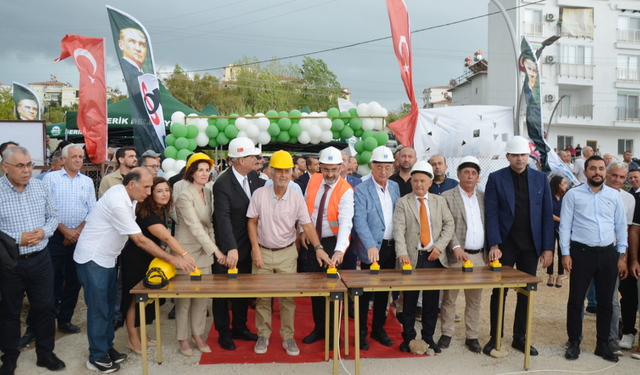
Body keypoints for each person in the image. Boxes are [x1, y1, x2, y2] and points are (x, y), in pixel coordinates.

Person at [74, 168, 195, 373]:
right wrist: (174, 259)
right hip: (93, 259)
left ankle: (107, 348)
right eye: (146, 187)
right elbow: (140, 240)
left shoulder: (128, 197)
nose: (149, 191)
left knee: (110, 306)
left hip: (108, 259)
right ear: (131, 184)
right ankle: (96, 356)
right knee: (99, 310)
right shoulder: (118, 202)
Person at [483, 136, 554, 357]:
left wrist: (548, 248)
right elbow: (491, 213)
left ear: (528, 157)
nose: (519, 159)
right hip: (505, 245)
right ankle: (495, 337)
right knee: (500, 292)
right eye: (515, 155)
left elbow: (546, 215)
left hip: (531, 246)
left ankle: (520, 338)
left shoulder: (541, 179)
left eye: (523, 155)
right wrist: (493, 244)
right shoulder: (495, 178)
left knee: (526, 293)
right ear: (508, 157)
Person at [247, 150, 321, 356]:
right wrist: (255, 249)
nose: (283, 174)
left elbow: (306, 225)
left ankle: (288, 337)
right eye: (279, 170)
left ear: (292, 172)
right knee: (262, 298)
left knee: (288, 299)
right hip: (262, 251)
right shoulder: (259, 194)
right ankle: (263, 334)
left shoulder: (297, 198)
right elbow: (252, 222)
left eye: (286, 171)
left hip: (287, 254)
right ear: (270, 172)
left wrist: (319, 248)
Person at [0, 146, 66, 374]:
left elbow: (53, 216)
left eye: (29, 164)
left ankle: (45, 354)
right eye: (20, 166)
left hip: (41, 259)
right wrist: (18, 238)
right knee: (10, 311)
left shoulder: (40, 186)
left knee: (46, 308)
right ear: (5, 166)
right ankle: (9, 356)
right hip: (10, 262)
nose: (27, 170)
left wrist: (44, 231)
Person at [561, 155, 628, 363]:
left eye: (601, 168)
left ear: (605, 172)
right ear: (586, 171)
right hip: (581, 253)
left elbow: (620, 226)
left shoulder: (615, 196)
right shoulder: (573, 195)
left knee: (606, 302)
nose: (597, 172)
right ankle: (574, 342)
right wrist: (565, 253)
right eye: (593, 168)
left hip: (608, 253)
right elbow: (564, 225)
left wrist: (622, 255)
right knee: (576, 300)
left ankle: (602, 345)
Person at [120, 177, 196, 355]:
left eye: (167, 190)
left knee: (145, 300)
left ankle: (142, 334)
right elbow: (168, 237)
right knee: (133, 300)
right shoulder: (148, 213)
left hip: (151, 259)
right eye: (159, 191)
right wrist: (184, 255)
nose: (164, 194)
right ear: (150, 194)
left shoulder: (161, 210)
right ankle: (132, 339)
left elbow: (162, 238)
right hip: (136, 260)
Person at [394, 160, 454, 353]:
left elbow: (449, 225)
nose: (418, 184)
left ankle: (428, 337)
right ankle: (409, 338)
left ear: (430, 182)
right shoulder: (403, 202)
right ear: (411, 181)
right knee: (409, 301)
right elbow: (399, 229)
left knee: (431, 301)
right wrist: (402, 253)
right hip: (411, 258)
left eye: (422, 181)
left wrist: (439, 246)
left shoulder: (439, 201)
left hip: (433, 258)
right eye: (415, 180)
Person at [301, 146, 354, 349]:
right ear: (320, 167)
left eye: (335, 170)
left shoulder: (346, 191)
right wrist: (302, 231)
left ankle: (333, 333)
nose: (331, 174)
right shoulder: (313, 180)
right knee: (316, 288)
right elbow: (305, 210)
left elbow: (346, 222)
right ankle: (319, 328)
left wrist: (339, 250)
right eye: (326, 169)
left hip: (333, 244)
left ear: (341, 167)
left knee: (333, 290)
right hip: (313, 241)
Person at [212, 137, 261, 351]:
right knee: (222, 291)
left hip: (248, 244)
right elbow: (221, 218)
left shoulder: (253, 177)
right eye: (252, 156)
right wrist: (230, 247)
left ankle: (239, 326)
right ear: (240, 160)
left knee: (243, 289)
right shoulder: (222, 183)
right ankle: (223, 331)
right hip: (228, 246)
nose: (256, 159)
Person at [175, 154, 226, 356]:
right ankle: (182, 338)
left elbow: (209, 223)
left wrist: (212, 242)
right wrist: (217, 250)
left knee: (202, 298)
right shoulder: (184, 196)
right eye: (200, 170)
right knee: (184, 299)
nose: (205, 173)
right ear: (191, 172)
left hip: (205, 250)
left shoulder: (209, 190)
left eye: (207, 169)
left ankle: (197, 335)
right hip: (186, 251)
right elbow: (195, 228)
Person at [352, 146, 399, 351]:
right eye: (379, 167)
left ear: (391, 168)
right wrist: (370, 244)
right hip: (371, 249)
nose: (383, 171)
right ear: (372, 166)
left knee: (383, 292)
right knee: (364, 294)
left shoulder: (395, 187)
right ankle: (361, 332)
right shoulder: (361, 189)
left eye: (387, 167)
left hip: (391, 248)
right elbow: (359, 221)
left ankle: (378, 329)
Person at [439, 156, 486, 353]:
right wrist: (455, 246)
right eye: (466, 172)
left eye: (474, 173)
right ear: (458, 175)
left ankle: (472, 336)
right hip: (456, 256)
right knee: (449, 298)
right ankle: (447, 333)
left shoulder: (483, 197)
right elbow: (444, 225)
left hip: (479, 257)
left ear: (478, 177)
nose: (469, 176)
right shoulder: (447, 197)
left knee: (475, 299)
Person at [602, 162, 635, 356]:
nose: (617, 180)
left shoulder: (629, 199)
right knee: (579, 298)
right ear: (607, 174)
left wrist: (623, 257)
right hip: (588, 251)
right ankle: (574, 338)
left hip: (614, 251)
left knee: (613, 299)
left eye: (622, 177)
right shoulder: (590, 192)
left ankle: (612, 339)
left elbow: (627, 230)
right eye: (614, 175)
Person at [547, 176, 567, 288]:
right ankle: (550, 275)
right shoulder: (549, 196)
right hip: (551, 227)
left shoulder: (565, 197)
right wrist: (563, 220)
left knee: (562, 251)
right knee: (550, 250)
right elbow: (549, 213)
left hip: (562, 228)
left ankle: (560, 276)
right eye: (563, 183)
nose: (566, 185)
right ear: (557, 184)